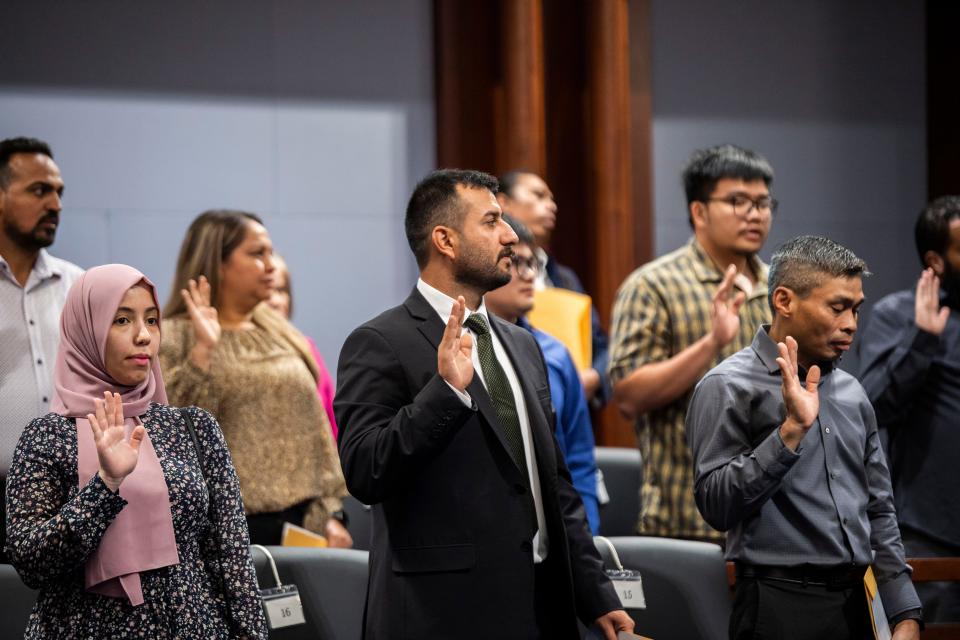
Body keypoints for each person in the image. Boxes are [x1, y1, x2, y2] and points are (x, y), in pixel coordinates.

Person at [335, 169, 632, 639]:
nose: (511, 236)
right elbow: (365, 471)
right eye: (492, 221)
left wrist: (595, 593)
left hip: (542, 607)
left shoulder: (522, 344)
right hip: (442, 614)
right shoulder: (378, 341)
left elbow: (552, 482)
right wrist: (445, 393)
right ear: (445, 240)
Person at [5, 264, 266, 639]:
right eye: (122, 320)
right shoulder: (48, 436)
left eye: (152, 320)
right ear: (87, 329)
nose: (143, 336)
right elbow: (31, 562)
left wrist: (250, 634)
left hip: (192, 627)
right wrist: (105, 484)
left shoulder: (193, 427)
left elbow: (232, 559)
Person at [686, 236, 922, 639]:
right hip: (777, 605)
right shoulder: (727, 385)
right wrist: (790, 432)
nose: (850, 323)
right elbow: (716, 504)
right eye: (837, 307)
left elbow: (879, 509)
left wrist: (904, 610)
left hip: (859, 606)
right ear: (784, 301)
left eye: (856, 309)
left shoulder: (852, 392)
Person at [608, 144, 774, 541]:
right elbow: (630, 396)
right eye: (738, 201)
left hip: (773, 527)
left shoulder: (779, 289)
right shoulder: (653, 285)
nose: (755, 214)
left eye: (763, 203)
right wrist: (711, 343)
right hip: (686, 521)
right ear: (699, 211)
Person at [159, 210, 350, 547]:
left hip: (304, 527)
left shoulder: (281, 331)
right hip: (222, 534)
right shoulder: (175, 336)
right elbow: (171, 435)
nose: (271, 265)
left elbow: (319, 432)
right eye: (256, 253)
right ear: (218, 263)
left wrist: (333, 514)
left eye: (269, 252)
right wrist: (203, 352)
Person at [858, 196, 960, 622]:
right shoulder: (897, 316)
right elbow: (872, 407)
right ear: (935, 260)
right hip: (930, 533)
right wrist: (921, 341)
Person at [485, 213, 601, 533]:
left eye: (532, 262)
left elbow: (579, 460)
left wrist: (586, 533)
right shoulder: (463, 349)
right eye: (514, 262)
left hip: (556, 526)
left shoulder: (556, 354)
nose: (527, 275)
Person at [0, 137, 83, 559]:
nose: (55, 204)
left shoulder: (80, 288)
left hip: (74, 499)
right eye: (39, 190)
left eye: (59, 192)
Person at [496, 170, 610, 405]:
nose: (551, 206)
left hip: (568, 402)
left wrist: (591, 377)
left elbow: (600, 345)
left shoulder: (566, 279)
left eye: (531, 264)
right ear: (503, 203)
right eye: (538, 196)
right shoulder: (484, 272)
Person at [266, 254, 338, 439]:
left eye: (281, 290)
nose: (275, 301)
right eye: (267, 291)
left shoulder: (305, 347)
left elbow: (330, 418)